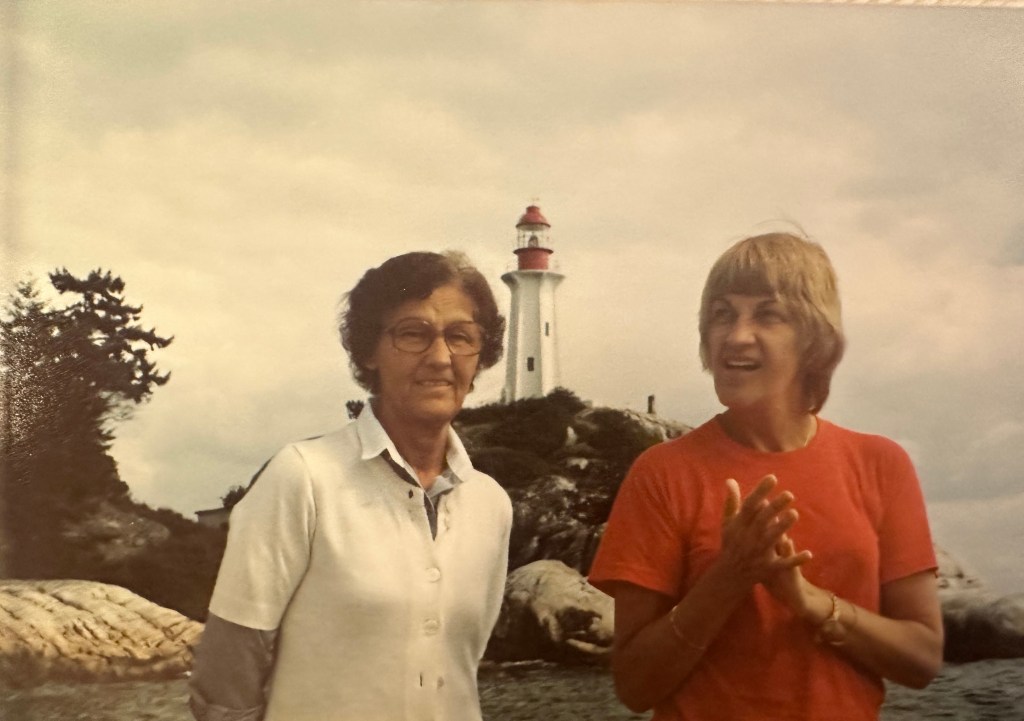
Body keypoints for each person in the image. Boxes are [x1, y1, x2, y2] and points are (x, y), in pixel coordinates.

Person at [588, 232, 943, 721]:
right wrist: (729, 577)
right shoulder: (662, 473)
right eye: (722, 314)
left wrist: (808, 601)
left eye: (767, 315)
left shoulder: (881, 464)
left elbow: (922, 659)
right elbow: (635, 685)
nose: (736, 335)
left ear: (814, 340)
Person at [189, 251, 513, 721]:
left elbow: (460, 662)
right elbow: (225, 678)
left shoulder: (491, 504)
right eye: (413, 334)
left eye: (461, 337)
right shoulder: (303, 477)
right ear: (367, 350)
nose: (441, 357)